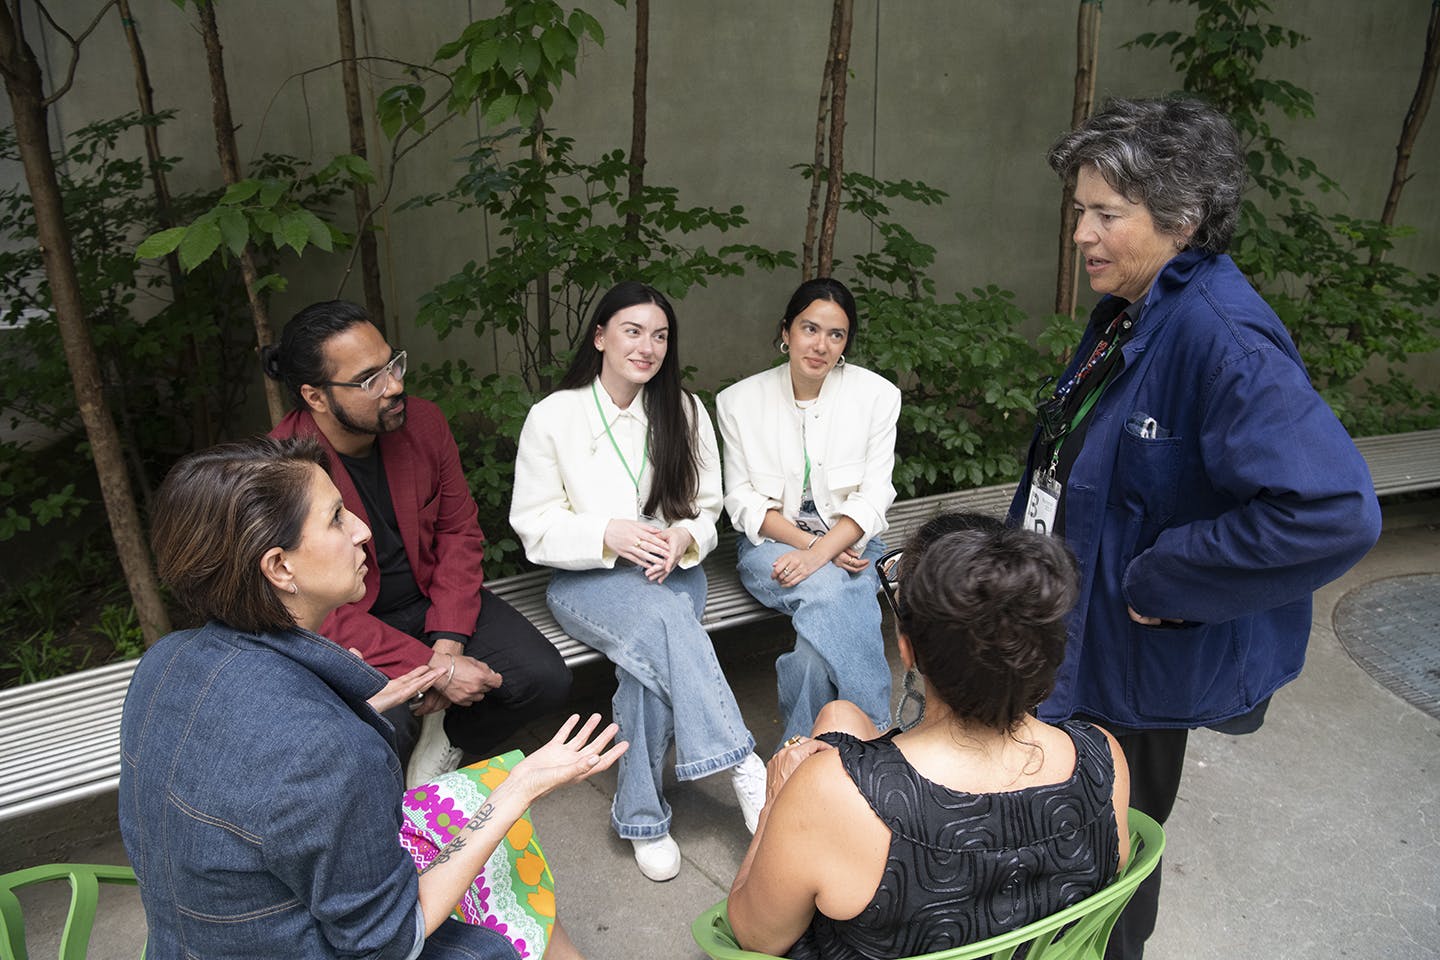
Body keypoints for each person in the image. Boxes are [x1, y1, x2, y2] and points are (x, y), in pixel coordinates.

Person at [1010, 97, 1382, 959]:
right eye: (1080, 212)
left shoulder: (1220, 335)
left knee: (1106, 867)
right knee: (1063, 852)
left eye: (1106, 215)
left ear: (1181, 218)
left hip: (1132, 667)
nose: (1082, 234)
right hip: (1077, 641)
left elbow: (1332, 511)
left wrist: (1167, 578)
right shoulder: (1140, 308)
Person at [119, 436, 626, 959]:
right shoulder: (328, 751)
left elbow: (244, 772)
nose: (362, 530)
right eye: (337, 517)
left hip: (188, 942)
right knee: (497, 851)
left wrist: (347, 712)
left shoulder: (166, 659)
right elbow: (389, 940)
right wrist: (521, 787)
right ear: (279, 567)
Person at [727, 520, 1131, 959]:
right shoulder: (1102, 759)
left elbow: (755, 937)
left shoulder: (826, 792)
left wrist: (775, 801)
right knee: (840, 715)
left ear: (907, 651)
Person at [510, 280, 767, 883]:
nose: (647, 347)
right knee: (663, 624)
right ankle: (743, 763)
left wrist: (683, 539)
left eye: (659, 335)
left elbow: (705, 510)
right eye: (632, 331)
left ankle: (645, 818)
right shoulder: (555, 417)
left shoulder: (683, 409)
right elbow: (533, 525)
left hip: (671, 572)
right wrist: (608, 534)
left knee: (646, 667)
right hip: (587, 581)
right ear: (600, 336)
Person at [264, 301, 571, 787]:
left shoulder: (423, 425)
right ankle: (394, 799)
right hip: (351, 619)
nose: (395, 385)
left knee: (544, 679)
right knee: (389, 722)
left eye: (393, 364)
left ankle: (446, 743)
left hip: (431, 598)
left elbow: (459, 533)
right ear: (315, 396)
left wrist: (447, 642)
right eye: (370, 380)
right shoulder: (282, 469)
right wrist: (433, 670)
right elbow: (306, 603)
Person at [716, 278, 901, 742]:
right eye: (809, 329)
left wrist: (822, 552)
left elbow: (875, 494)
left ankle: (797, 754)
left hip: (849, 541)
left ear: (846, 344)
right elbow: (743, 501)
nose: (821, 345)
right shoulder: (738, 402)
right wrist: (812, 548)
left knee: (814, 652)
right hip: (774, 544)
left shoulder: (877, 396)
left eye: (835, 335)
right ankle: (877, 731)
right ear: (786, 331)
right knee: (834, 592)